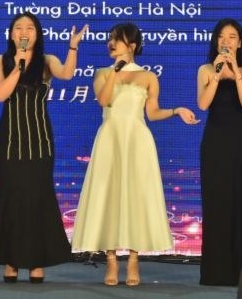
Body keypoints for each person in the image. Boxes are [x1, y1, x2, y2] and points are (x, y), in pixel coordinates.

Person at [71, 22, 198, 286]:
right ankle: (111, 259)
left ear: (132, 45)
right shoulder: (103, 73)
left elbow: (152, 113)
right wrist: (115, 73)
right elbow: (104, 101)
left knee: (135, 196)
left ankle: (133, 259)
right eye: (110, 38)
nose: (111, 43)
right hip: (109, 139)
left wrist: (176, 111)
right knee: (108, 195)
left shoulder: (148, 76)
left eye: (116, 39)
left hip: (137, 139)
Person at [0, 13, 88, 283]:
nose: (24, 32)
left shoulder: (47, 61)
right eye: (18, 28)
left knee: (39, 198)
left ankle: (37, 261)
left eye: (29, 28)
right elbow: (1, 94)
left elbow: (67, 73)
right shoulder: (2, 61)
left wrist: (73, 47)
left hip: (39, 140)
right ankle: (11, 260)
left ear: (37, 34)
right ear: (11, 34)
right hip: (10, 141)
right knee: (12, 198)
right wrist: (18, 66)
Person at [197, 18, 242, 286]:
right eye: (221, 37)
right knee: (216, 202)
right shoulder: (206, 69)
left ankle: (238, 270)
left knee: (241, 201)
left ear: (239, 42)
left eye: (232, 37)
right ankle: (215, 272)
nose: (226, 41)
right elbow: (203, 104)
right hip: (215, 142)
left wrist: (236, 72)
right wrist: (218, 74)